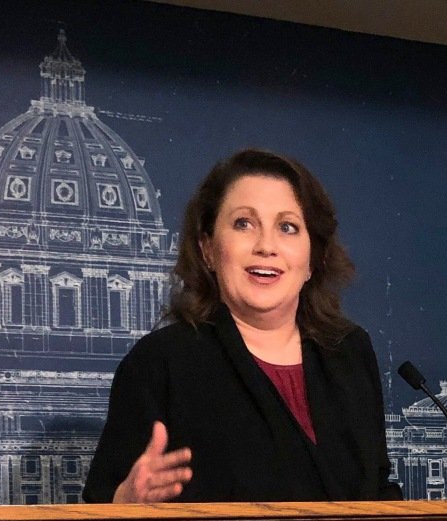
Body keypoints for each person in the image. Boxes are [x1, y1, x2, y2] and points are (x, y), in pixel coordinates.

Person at [83, 149, 402, 503]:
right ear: (208, 248)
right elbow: (103, 505)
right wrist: (126, 503)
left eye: (287, 227)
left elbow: (377, 489)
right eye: (243, 224)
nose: (266, 246)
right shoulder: (161, 363)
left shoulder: (349, 352)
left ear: (313, 258)